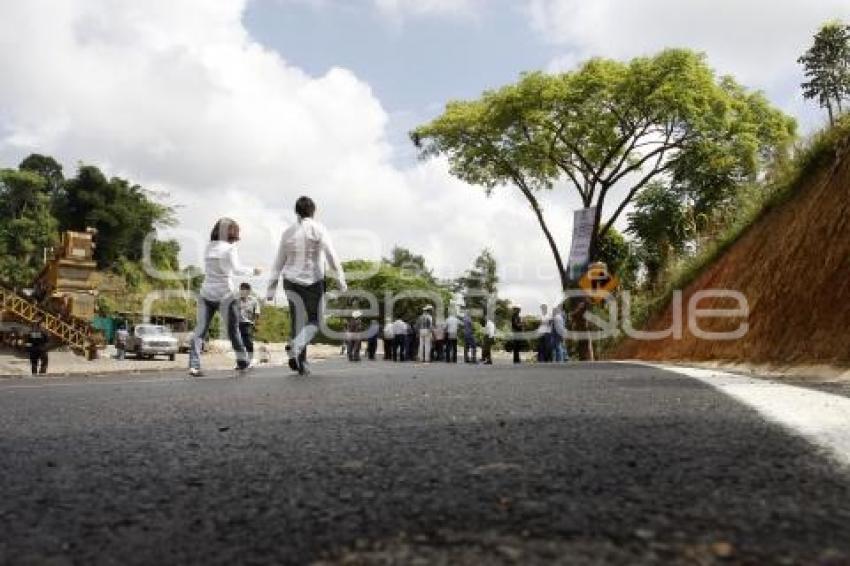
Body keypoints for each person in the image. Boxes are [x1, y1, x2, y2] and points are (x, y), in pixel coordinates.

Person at [267, 196, 347, 376]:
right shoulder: (319, 229)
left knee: (297, 323)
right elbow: (331, 256)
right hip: (313, 281)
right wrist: (341, 280)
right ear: (313, 211)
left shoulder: (287, 232)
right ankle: (296, 349)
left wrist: (270, 289)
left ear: (296, 211)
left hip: (290, 281)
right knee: (315, 321)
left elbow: (279, 261)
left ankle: (301, 363)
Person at [189, 218, 261, 377]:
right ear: (232, 232)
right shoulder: (230, 248)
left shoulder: (208, 247)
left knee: (199, 331)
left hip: (206, 293)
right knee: (233, 331)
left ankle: (194, 366)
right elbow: (236, 269)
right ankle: (242, 362)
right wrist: (254, 271)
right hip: (225, 296)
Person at [238, 282, 261, 366]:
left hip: (248, 324)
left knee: (248, 342)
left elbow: (257, 313)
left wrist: (257, 325)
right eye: (241, 289)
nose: (242, 291)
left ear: (248, 291)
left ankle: (250, 359)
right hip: (237, 324)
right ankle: (240, 362)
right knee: (239, 343)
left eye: (244, 289)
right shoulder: (236, 300)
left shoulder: (254, 300)